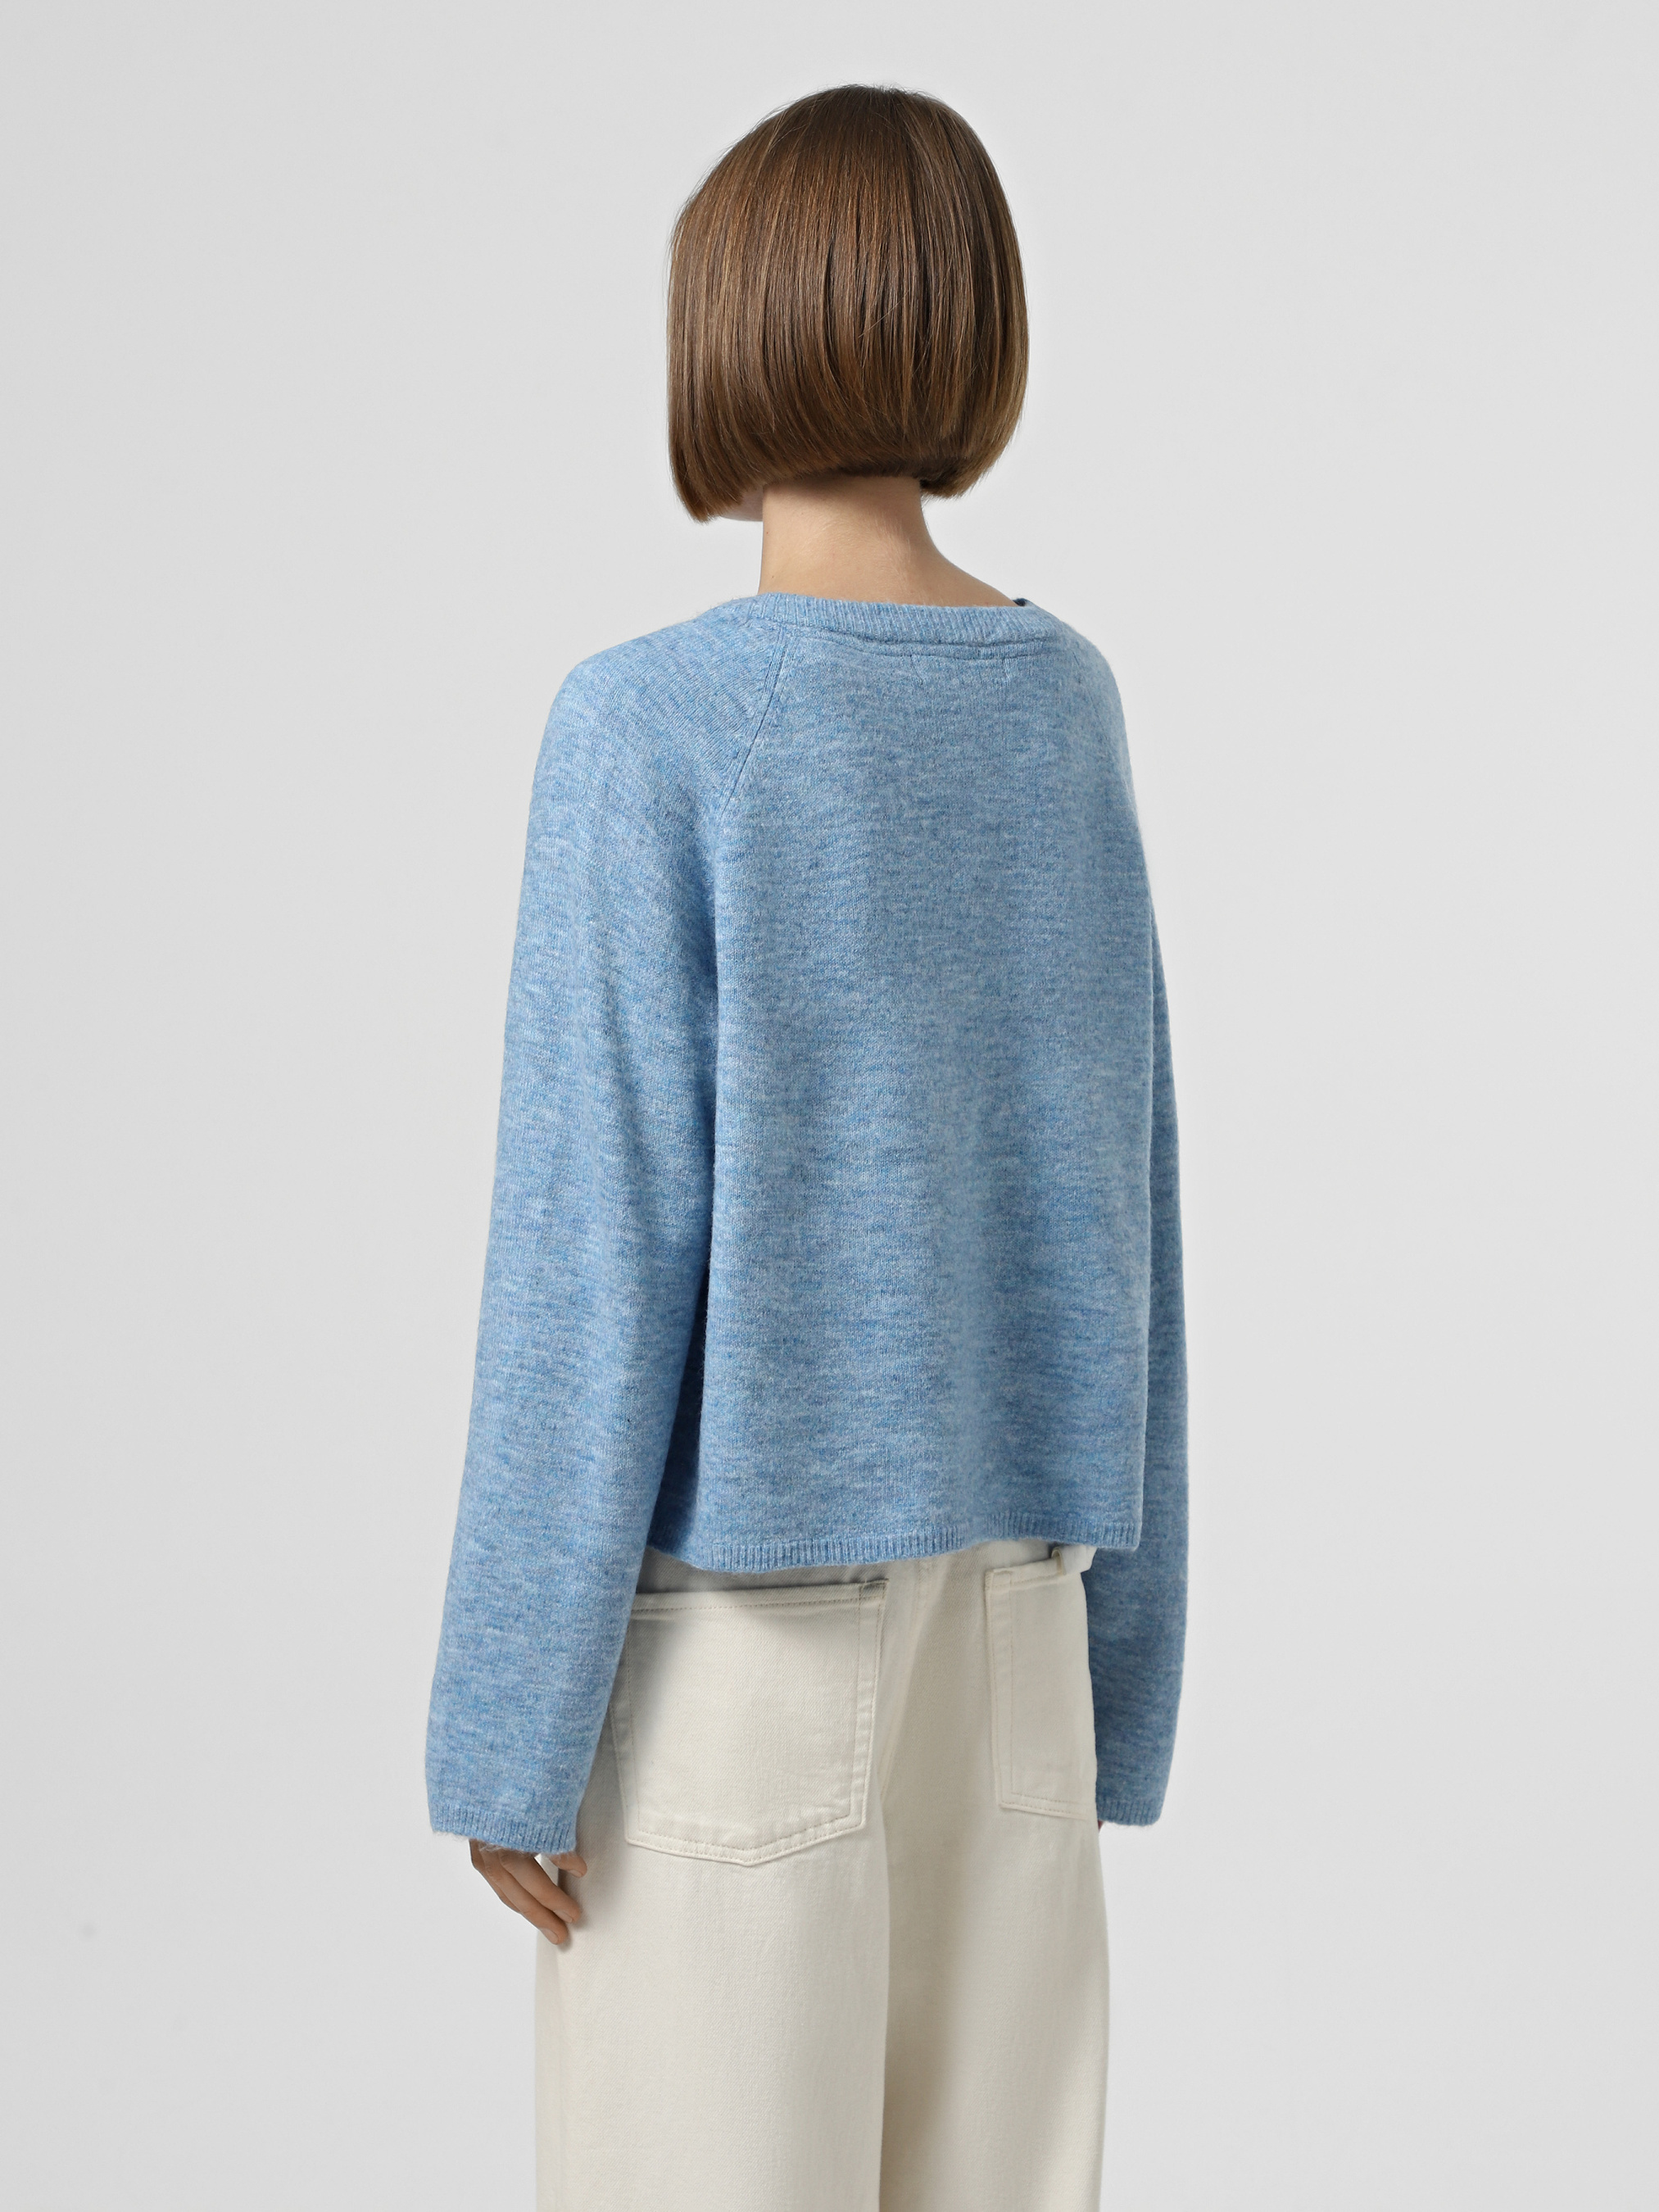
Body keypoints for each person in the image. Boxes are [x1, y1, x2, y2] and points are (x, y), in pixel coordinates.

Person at [425, 82, 1187, 2212]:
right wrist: (1125, 1682)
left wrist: (509, 1723)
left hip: (744, 1670)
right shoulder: (1064, 703)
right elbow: (1128, 1203)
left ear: (725, 337)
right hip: (1018, 1645)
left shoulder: (649, 726)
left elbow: (592, 1250)